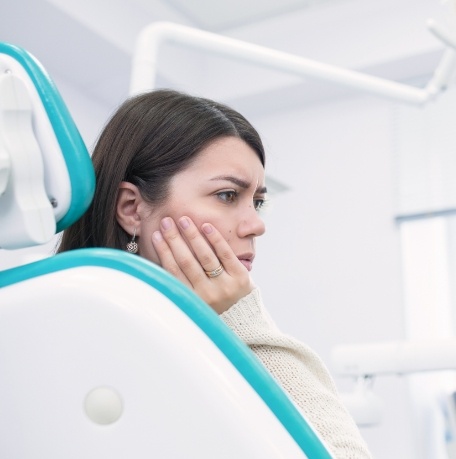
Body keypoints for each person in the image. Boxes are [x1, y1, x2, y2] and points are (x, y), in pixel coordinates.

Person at [58, 89, 372, 458]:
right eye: (227, 195)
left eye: (257, 202)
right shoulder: (63, 340)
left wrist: (238, 316)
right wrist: (239, 313)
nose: (256, 225)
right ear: (131, 209)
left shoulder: (202, 339)